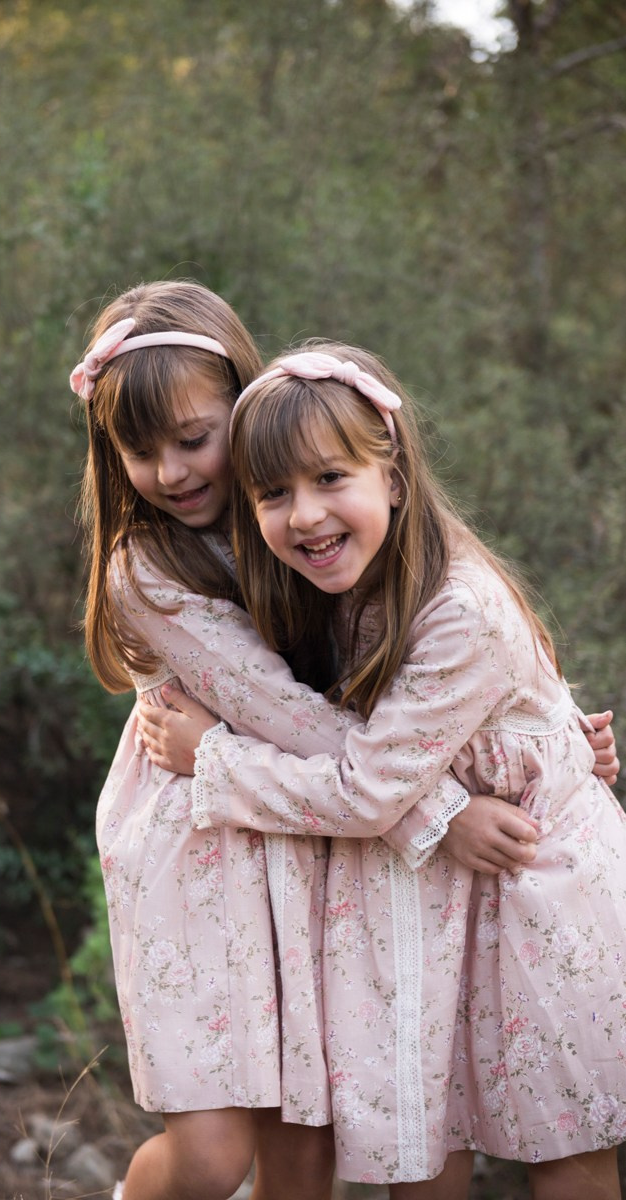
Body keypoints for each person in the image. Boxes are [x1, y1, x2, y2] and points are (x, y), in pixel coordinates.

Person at [71, 286, 579, 1200]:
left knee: (305, 1151)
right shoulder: (146, 567)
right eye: (139, 452)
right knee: (213, 1157)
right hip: (210, 842)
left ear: (245, 400)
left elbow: (432, 657)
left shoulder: (302, 513)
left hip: (324, 841)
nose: (173, 470)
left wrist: (555, 742)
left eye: (194, 438)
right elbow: (281, 708)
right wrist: (440, 813)